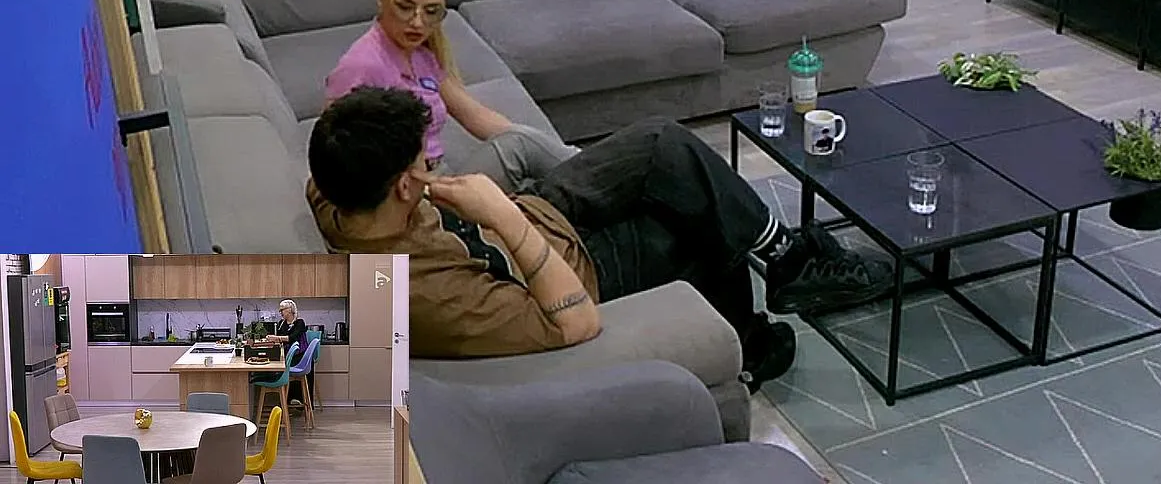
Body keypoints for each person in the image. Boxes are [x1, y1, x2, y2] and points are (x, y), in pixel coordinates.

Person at [306, 86, 892, 391]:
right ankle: (748, 341)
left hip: (541, 212)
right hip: (574, 269)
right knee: (696, 223)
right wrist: (503, 217)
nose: (433, 166)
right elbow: (574, 322)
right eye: (424, 162)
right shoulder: (428, 299)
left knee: (664, 142)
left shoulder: (341, 195)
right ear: (404, 185)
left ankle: (785, 259)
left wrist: (507, 211)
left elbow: (324, 166)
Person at [323, 0, 576, 193]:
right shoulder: (363, 65)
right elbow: (333, 151)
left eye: (431, 11)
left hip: (438, 178)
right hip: (410, 196)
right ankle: (587, 169)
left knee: (534, 164)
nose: (418, 22)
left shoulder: (421, 56)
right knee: (521, 148)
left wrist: (535, 146)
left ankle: (584, 169)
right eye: (405, 7)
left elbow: (474, 115)